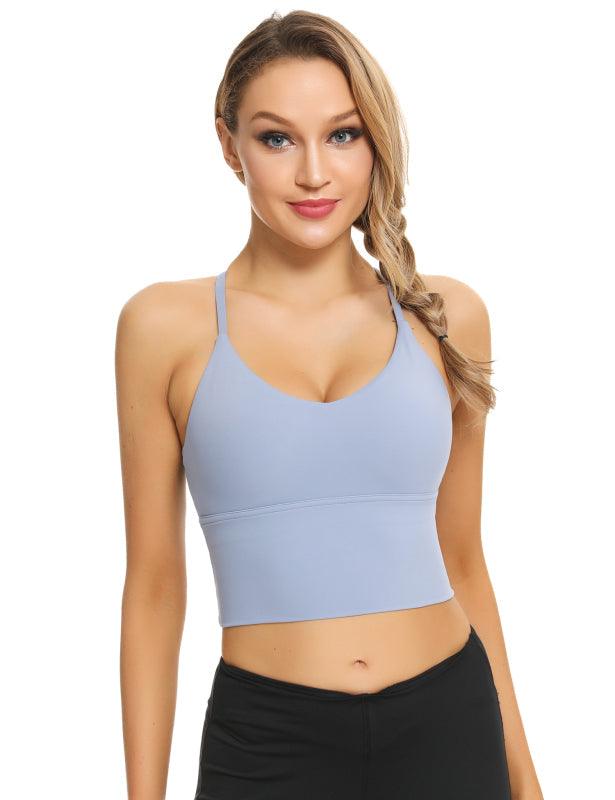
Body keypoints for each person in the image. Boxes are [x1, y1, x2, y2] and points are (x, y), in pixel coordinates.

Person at [115, 10, 543, 800]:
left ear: (375, 141)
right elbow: (153, 587)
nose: (314, 173)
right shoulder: (163, 327)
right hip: (265, 739)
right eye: (277, 138)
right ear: (229, 146)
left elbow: (463, 559)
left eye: (342, 134)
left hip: (448, 725)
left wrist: (525, 778)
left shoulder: (446, 318)